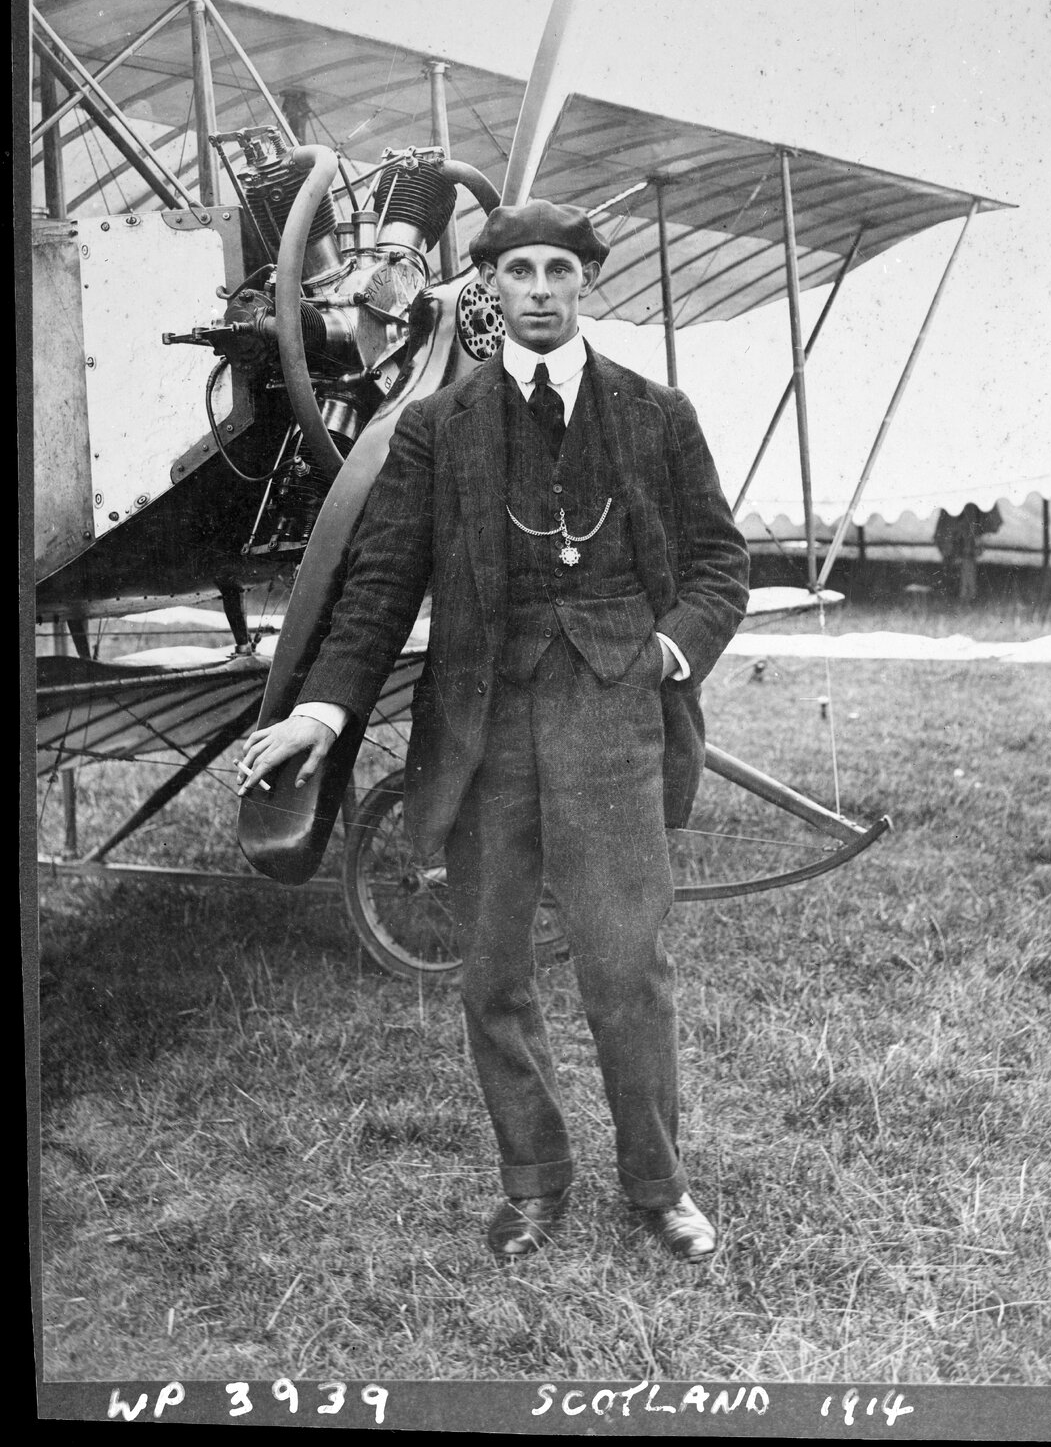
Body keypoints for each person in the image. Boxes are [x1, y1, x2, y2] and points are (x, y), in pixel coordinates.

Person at [236, 200, 749, 1261]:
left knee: (624, 968)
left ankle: (657, 1186)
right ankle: (533, 1182)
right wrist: (324, 709)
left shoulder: (658, 413)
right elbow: (379, 584)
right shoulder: (436, 428)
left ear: (586, 283)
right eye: (519, 270)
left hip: (612, 724)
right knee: (493, 971)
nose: (541, 288)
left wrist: (664, 652)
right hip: (480, 732)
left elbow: (718, 565)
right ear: (489, 289)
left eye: (561, 268)